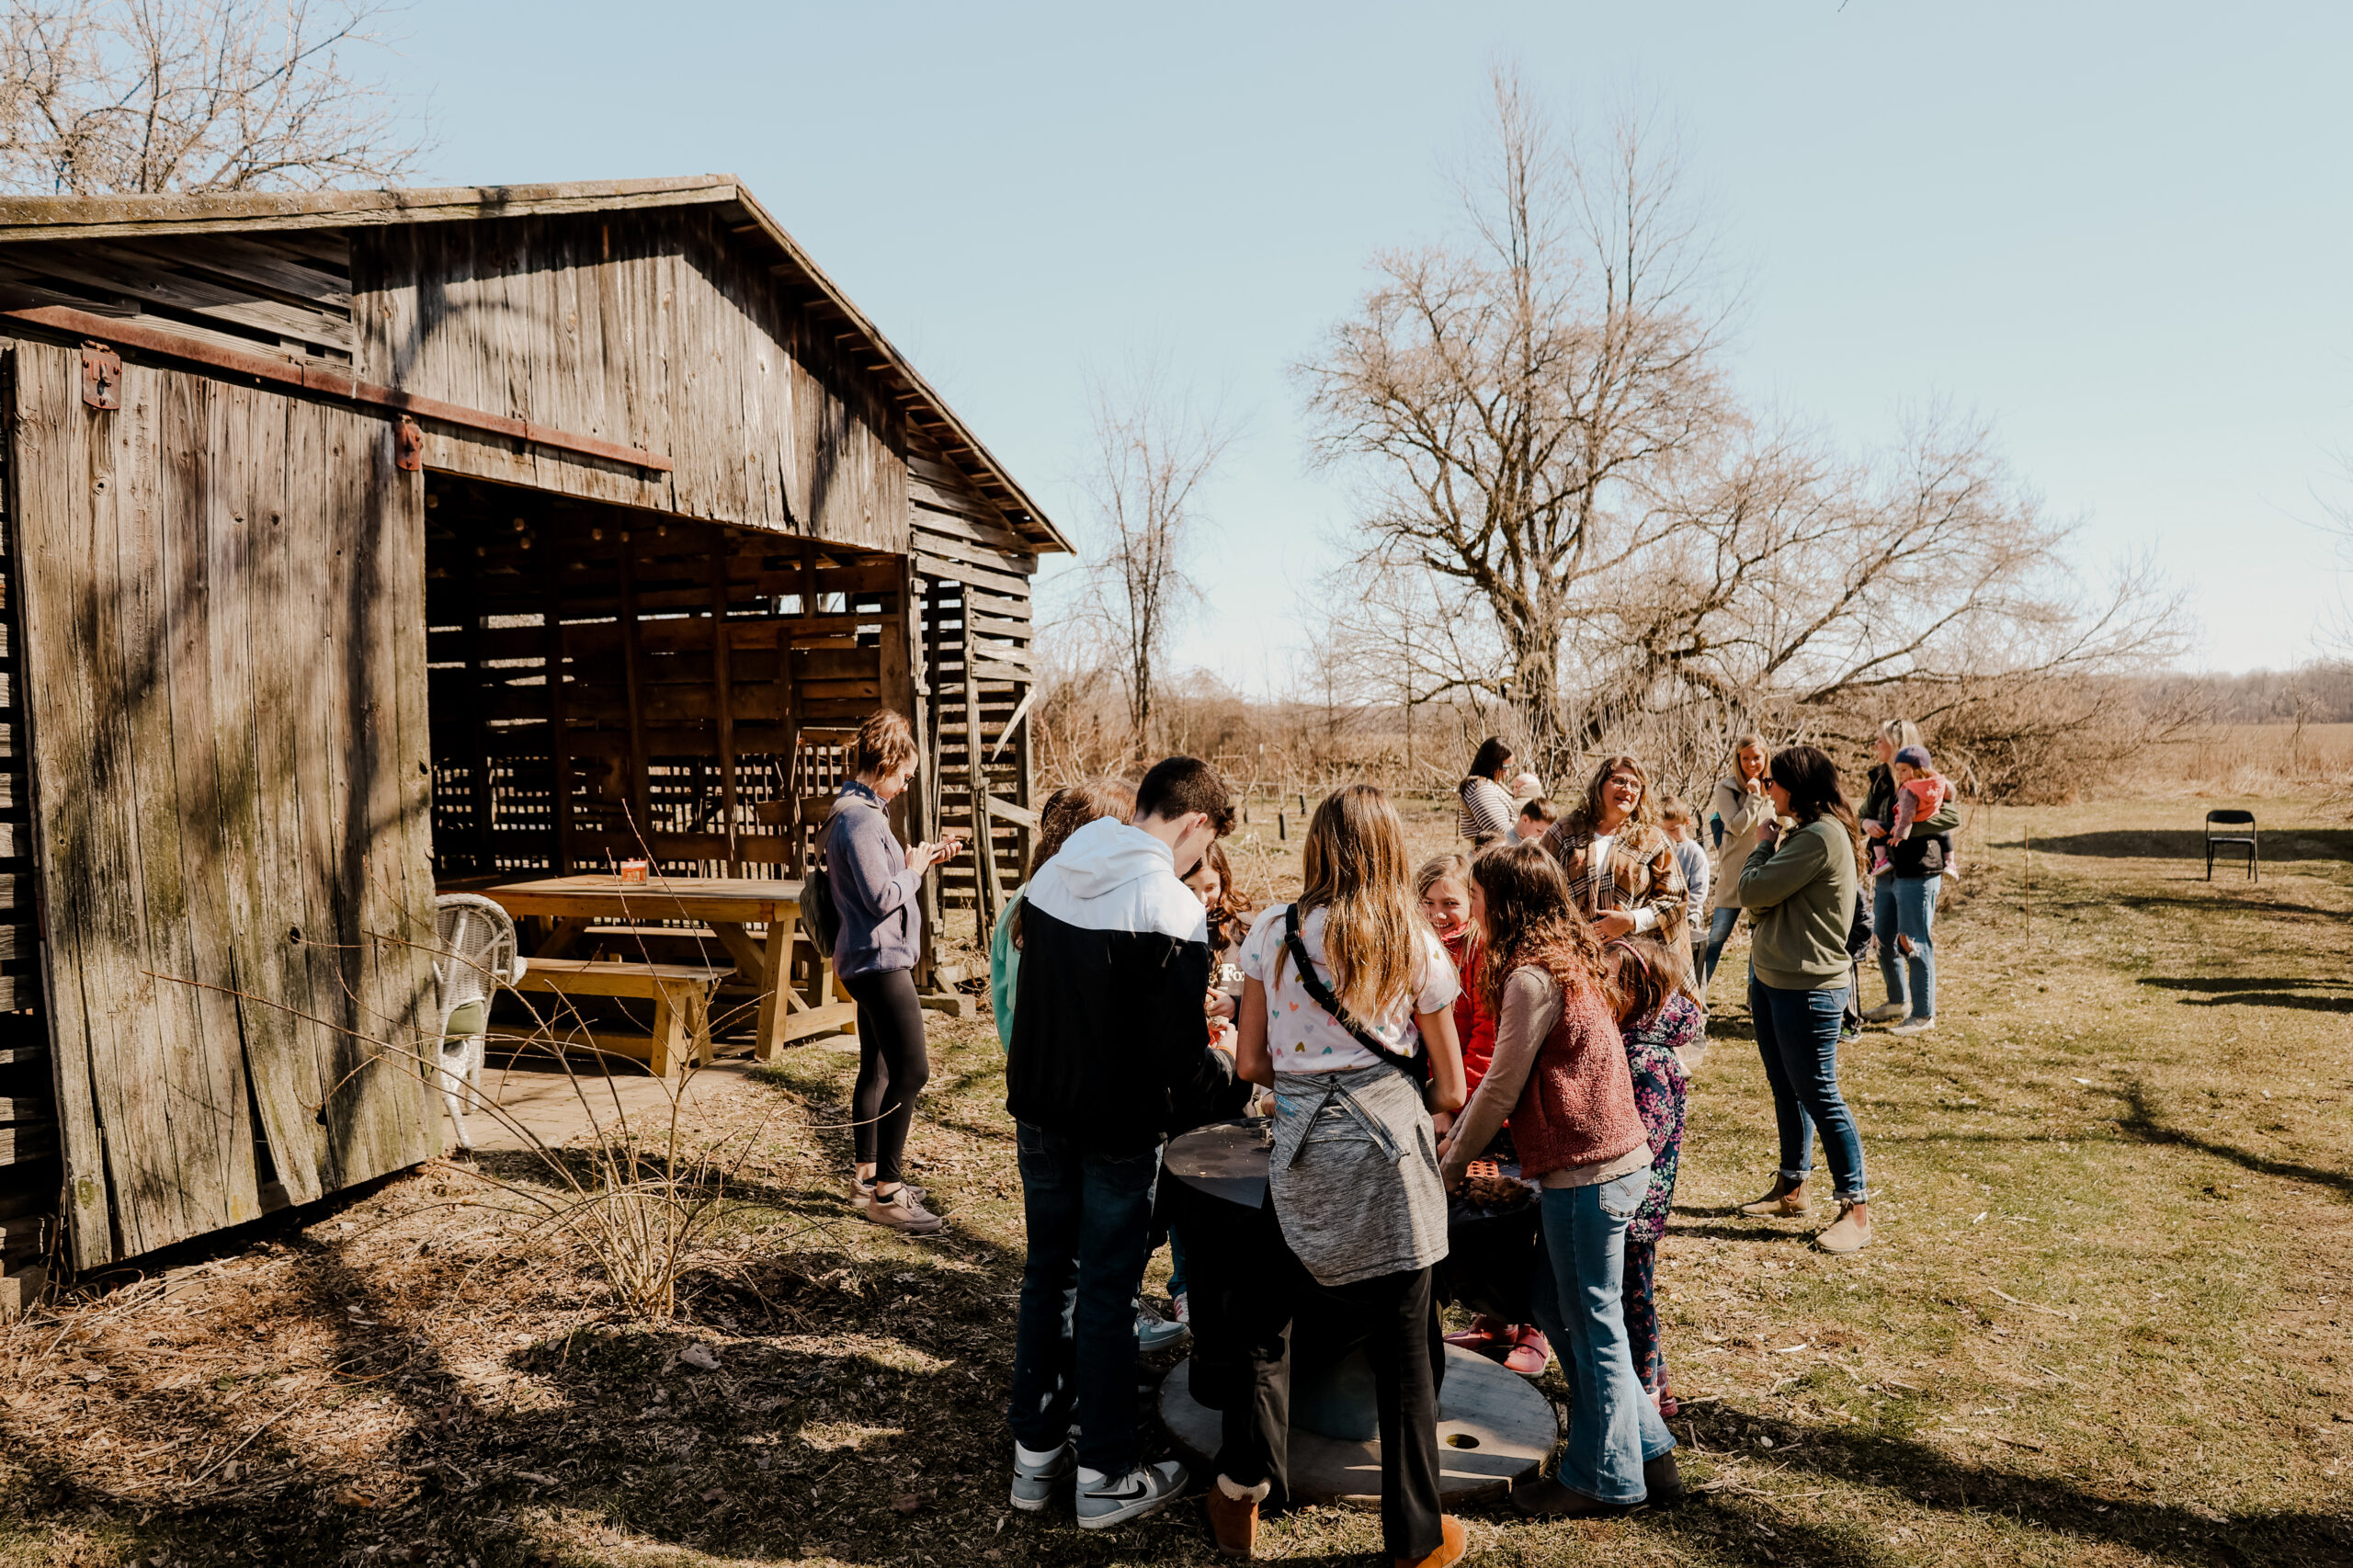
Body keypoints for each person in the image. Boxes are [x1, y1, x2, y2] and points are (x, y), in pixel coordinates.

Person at [1210, 785, 1470, 1566]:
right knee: (1405, 1349)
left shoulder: (1272, 932)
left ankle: (1241, 1488)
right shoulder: (1414, 941)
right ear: (1391, 849)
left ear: (1317, 847)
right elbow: (1452, 1087)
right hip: (1391, 1162)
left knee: (1261, 1324)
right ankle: (1415, 1539)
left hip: (1300, 1155)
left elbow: (1251, 1061)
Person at [1003, 756, 1235, 1528]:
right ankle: (1102, 1470)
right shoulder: (1169, 904)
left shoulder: (1056, 872)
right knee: (1106, 1292)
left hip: (1039, 1111)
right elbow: (1175, 1052)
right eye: (1207, 846)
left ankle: (1034, 1457)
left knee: (1049, 1277)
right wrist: (1231, 1081)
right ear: (1197, 823)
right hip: (1116, 1129)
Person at [1438, 844, 1681, 1518]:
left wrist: (1450, 1164)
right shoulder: (1568, 958)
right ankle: (1650, 1453)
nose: (1474, 910)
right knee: (1554, 1306)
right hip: (1614, 1164)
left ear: (1507, 903)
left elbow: (1499, 1088)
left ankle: (1601, 1480)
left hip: (1588, 1174)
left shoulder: (1531, 978)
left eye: (1479, 898)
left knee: (1591, 1324)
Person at [1729, 744, 1873, 1254]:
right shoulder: (1809, 834)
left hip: (1809, 989)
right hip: (1774, 980)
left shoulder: (1818, 838)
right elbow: (1767, 902)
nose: (1767, 789)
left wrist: (1763, 845)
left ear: (1798, 787)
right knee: (1786, 1088)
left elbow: (1751, 892)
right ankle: (1793, 1187)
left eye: (1774, 781)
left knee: (1820, 1094)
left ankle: (1855, 1210)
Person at [825, 710, 965, 1235]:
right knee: (914, 1070)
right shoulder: (861, 819)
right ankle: (888, 1190)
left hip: (867, 958)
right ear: (885, 762)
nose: (908, 783)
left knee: (878, 1067)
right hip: (879, 962)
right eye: (905, 772)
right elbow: (882, 896)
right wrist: (914, 869)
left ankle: (866, 1175)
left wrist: (914, 859)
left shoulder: (857, 811)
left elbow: (880, 883)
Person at [1419, 852, 1552, 1380]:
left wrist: (1456, 1109)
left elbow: (1484, 1042)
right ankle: (1494, 1320)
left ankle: (1534, 1327)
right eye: (1428, 903)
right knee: (1476, 1221)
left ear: (1473, 906)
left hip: (1482, 1112)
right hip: (1445, 1105)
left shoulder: (1483, 954)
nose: (1439, 914)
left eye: (1452, 903)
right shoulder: (1423, 949)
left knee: (1513, 1216)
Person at [1599, 935, 1696, 1415]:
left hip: (1633, 1204)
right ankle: (1658, 1384)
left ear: (1640, 993)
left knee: (1632, 1298)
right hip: (1625, 1198)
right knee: (1628, 1294)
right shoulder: (1628, 1042)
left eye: (1608, 982)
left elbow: (1645, 1139)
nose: (1597, 988)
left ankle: (1645, 1392)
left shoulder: (1649, 1058)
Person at [990, 778, 1137, 1051]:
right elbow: (1016, 995)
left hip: (1030, 1063)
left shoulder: (1030, 894)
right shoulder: (1038, 902)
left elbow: (1006, 994)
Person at [1859, 721, 1961, 1037]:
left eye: (1881, 741)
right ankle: (1897, 1001)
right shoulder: (1879, 779)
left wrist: (1901, 828)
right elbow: (1862, 812)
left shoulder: (1927, 782)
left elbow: (1951, 817)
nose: (1876, 745)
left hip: (1918, 868)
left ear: (1899, 744)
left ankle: (1922, 1014)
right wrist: (1866, 824)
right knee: (1884, 938)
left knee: (1913, 941)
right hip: (1887, 869)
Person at [1540, 756, 1688, 955]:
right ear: (1599, 784)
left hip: (1629, 958)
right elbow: (1537, 890)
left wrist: (1631, 921)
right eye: (1619, 781)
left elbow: (1675, 901)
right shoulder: (1564, 831)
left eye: (1636, 785)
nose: (1627, 790)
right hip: (1569, 953)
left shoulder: (1653, 839)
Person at [1700, 734, 1773, 990]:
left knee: (1760, 943)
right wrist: (1753, 796)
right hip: (1733, 874)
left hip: (1765, 874)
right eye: (1746, 759)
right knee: (1717, 937)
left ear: (1765, 757)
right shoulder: (1726, 788)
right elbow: (1736, 825)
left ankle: (1756, 1000)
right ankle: (1696, 998)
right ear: (1738, 760)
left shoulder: (1775, 788)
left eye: (1757, 757)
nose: (1752, 763)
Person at [1871, 744, 1952, 876]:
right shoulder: (1935, 784)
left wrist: (1899, 834)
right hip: (1931, 818)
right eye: (1897, 770)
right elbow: (1949, 797)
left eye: (1904, 770)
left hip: (1910, 824)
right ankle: (1950, 862)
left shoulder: (1909, 789)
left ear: (1918, 770)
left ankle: (1881, 861)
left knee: (1878, 830)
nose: (1899, 774)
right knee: (1944, 834)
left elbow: (1907, 814)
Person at [1658, 798, 1710, 993]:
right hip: (1664, 923)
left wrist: (1678, 911)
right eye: (1664, 830)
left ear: (1686, 823)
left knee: (1694, 972)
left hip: (1689, 922)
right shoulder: (1660, 851)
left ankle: (1700, 1011)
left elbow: (1699, 893)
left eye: (1672, 830)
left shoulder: (1694, 853)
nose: (1668, 834)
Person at [1457, 735, 1518, 849]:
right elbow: (1503, 833)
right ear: (1491, 763)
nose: (1507, 773)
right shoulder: (1480, 790)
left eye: (1510, 767)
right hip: (1493, 855)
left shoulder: (1487, 784)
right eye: (1505, 767)